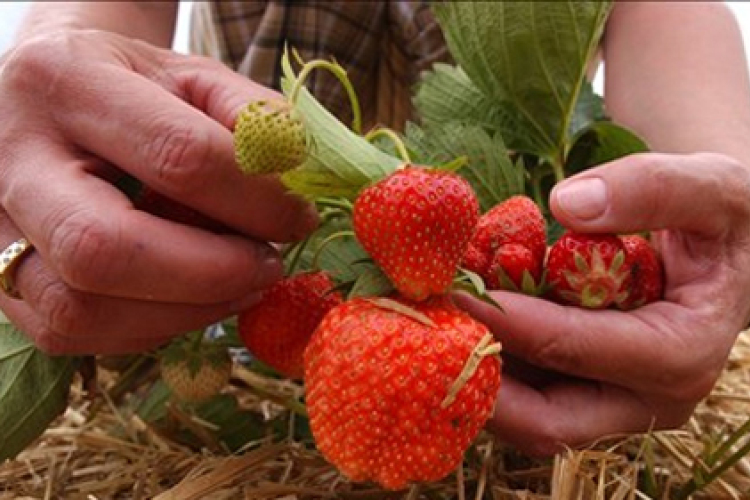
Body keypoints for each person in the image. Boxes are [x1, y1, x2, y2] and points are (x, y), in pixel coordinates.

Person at [1, 1, 750, 457]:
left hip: (491, 261)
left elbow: (667, 5)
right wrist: (56, 73)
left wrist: (711, 183)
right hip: (257, 238)